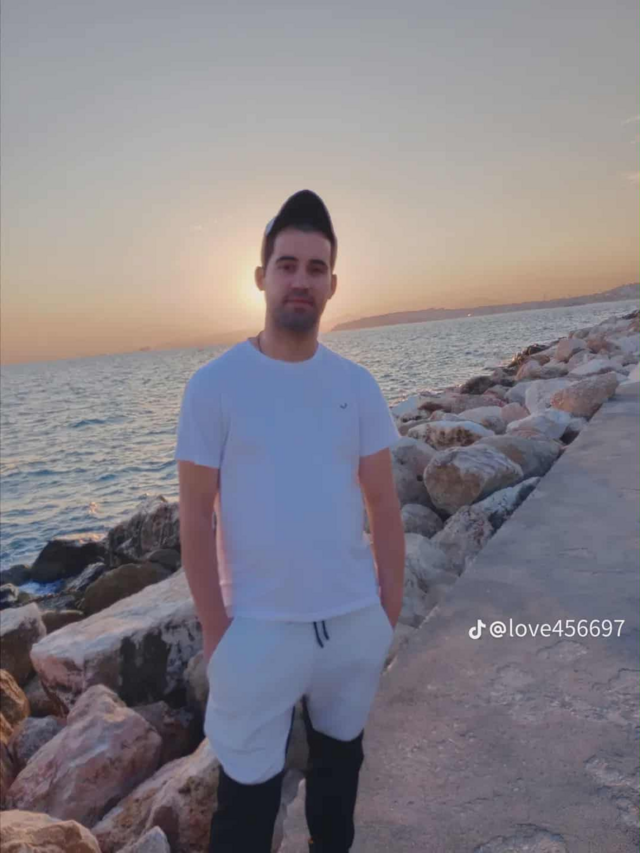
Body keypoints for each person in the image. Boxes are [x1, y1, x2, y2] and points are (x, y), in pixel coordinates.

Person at [174, 189, 405, 852]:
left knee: (337, 793)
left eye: (315, 267)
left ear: (333, 283)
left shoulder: (356, 386)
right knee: (243, 817)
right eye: (287, 265)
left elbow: (384, 503)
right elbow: (195, 517)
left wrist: (385, 612)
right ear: (261, 277)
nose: (301, 279)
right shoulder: (214, 386)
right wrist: (219, 634)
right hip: (257, 633)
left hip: (351, 626)